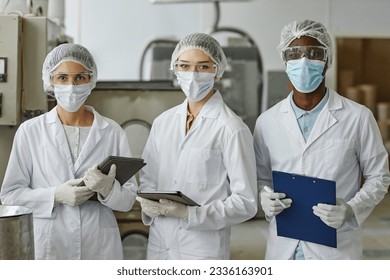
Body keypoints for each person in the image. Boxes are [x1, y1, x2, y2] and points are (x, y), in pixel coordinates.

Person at [254, 19, 390, 260]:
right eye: (295, 54)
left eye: (314, 53)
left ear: (327, 60)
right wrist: (263, 196)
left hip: (335, 249)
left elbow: (379, 177)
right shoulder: (267, 121)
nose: (304, 62)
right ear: (285, 62)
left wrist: (351, 210)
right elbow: (259, 177)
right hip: (283, 248)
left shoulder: (357, 117)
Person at [0, 43, 138, 259]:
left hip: (98, 245)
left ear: (91, 80)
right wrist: (55, 195)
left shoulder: (111, 131)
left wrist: (108, 189)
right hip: (51, 244)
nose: (71, 86)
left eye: (79, 78)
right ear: (50, 81)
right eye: (62, 78)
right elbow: (10, 195)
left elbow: (129, 199)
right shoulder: (30, 131)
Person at [136, 33, 258, 260]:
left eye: (202, 67)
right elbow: (149, 179)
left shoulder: (231, 128)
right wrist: (149, 204)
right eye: (184, 66)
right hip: (160, 242)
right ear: (175, 69)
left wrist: (191, 214)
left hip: (203, 248)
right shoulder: (163, 122)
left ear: (217, 72)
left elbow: (246, 202)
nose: (192, 75)